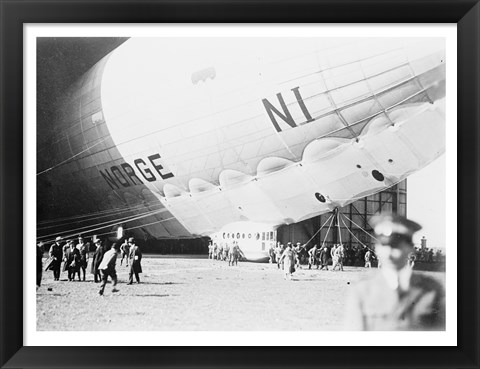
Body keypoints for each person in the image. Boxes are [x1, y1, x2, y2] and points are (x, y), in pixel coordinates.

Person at [344, 213, 445, 331]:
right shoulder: (362, 290)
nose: (388, 253)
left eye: (396, 247)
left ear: (410, 248)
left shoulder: (431, 290)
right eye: (383, 245)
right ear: (376, 248)